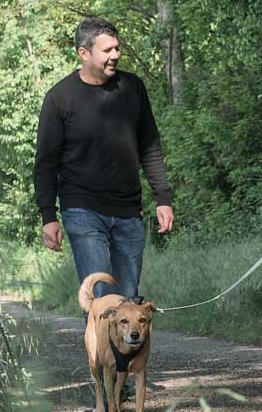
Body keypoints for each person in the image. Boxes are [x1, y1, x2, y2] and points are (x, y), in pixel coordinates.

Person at [34, 17, 175, 302]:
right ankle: (98, 348)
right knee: (102, 298)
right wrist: (48, 216)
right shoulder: (59, 98)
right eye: (107, 50)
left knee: (127, 301)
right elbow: (46, 163)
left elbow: (150, 145)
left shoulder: (133, 88)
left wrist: (163, 197)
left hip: (128, 210)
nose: (115, 56)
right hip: (82, 209)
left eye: (117, 48)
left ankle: (122, 348)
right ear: (83, 53)